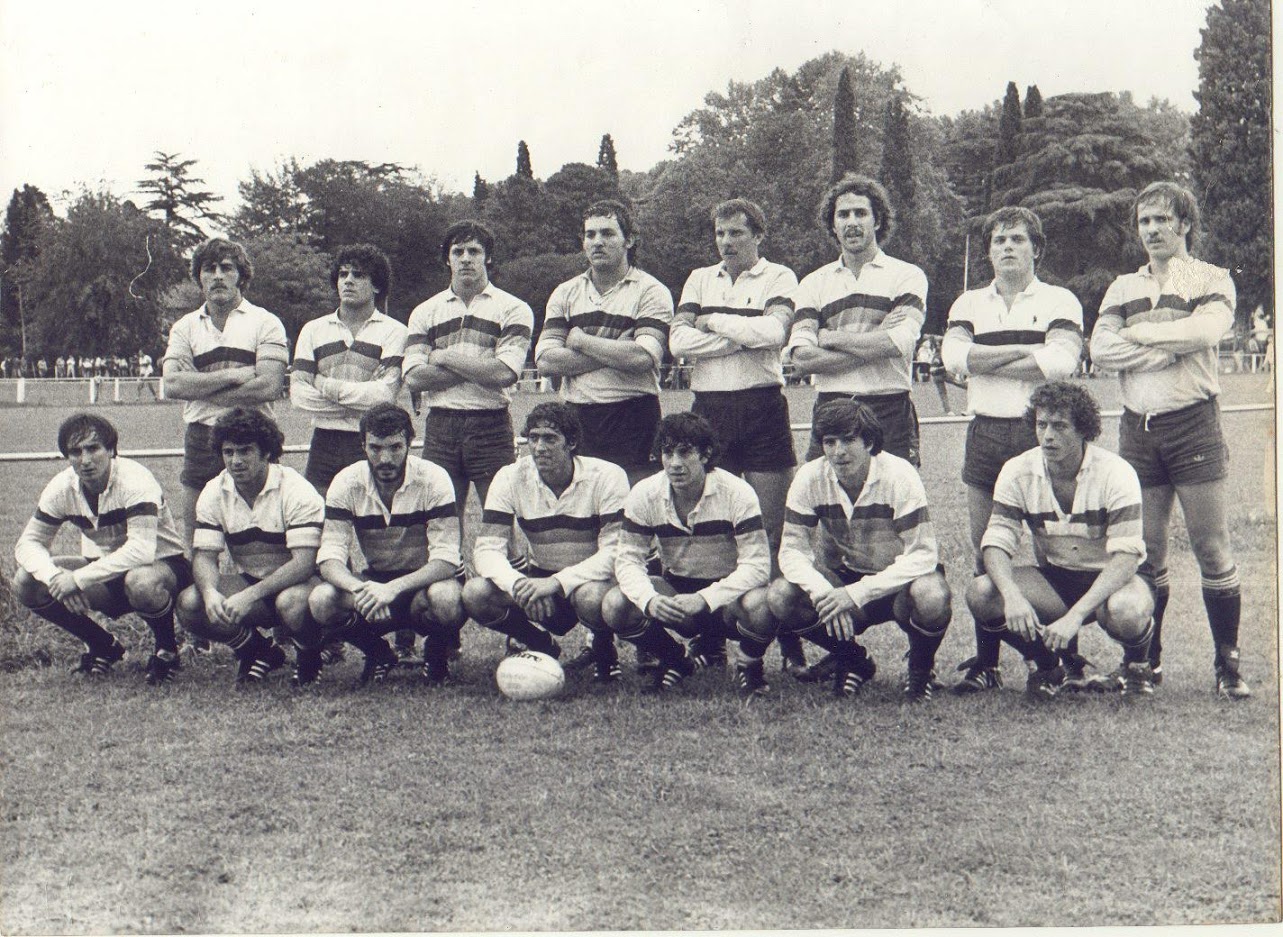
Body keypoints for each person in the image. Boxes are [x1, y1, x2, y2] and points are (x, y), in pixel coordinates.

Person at [1089, 181, 1248, 698]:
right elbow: (1100, 350)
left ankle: (1228, 665)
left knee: (1211, 546)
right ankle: (1144, 666)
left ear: (1184, 224)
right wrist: (1162, 346)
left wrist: (1138, 334)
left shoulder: (1211, 277)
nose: (1152, 230)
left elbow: (1204, 335)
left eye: (1162, 219)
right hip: (1138, 429)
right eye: (1144, 222)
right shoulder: (1121, 287)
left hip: (1193, 423)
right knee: (1146, 549)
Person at [940, 206, 1092, 693]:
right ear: (988, 251)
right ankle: (988, 664)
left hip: (1040, 433)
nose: (1008, 247)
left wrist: (985, 360)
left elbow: (1061, 362)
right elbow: (953, 358)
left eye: (1018, 240)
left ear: (1036, 248)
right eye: (999, 240)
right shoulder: (968, 301)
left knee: (1052, 548)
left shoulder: (1059, 299)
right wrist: (1026, 354)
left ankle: (1063, 656)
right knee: (987, 549)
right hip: (985, 432)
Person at [668, 197, 809, 677]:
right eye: (720, 234)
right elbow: (677, 341)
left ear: (757, 235)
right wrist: (739, 336)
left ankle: (788, 641)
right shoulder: (698, 278)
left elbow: (774, 332)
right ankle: (712, 641)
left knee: (773, 531)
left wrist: (712, 323)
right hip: (709, 409)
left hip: (763, 405)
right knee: (716, 530)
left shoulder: (780, 277)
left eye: (736, 233)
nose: (727, 242)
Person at [965, 381, 1156, 699]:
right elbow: (996, 541)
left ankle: (1136, 668)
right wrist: (1012, 596)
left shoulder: (1116, 472)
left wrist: (1076, 617)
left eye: (1060, 426)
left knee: (1127, 610)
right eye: (1041, 425)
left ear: (1084, 430)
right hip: (1058, 578)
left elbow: (1125, 559)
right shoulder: (1017, 470)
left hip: (1116, 579)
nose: (1048, 435)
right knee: (983, 592)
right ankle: (1046, 664)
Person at [763, 400, 951, 701]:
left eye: (849, 440)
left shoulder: (898, 474)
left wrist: (856, 594)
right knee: (780, 595)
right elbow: (791, 551)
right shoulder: (811, 477)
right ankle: (853, 659)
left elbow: (923, 554)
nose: (839, 451)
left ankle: (920, 669)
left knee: (932, 594)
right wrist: (824, 592)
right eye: (830, 442)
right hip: (844, 578)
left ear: (870, 441)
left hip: (898, 585)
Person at [12, 413, 191, 685]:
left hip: (164, 568)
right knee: (26, 581)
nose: (85, 460)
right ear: (66, 456)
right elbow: (28, 543)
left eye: (93, 448)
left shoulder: (135, 479)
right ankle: (102, 645)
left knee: (140, 580)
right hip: (107, 571)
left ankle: (166, 650)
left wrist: (77, 579)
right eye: (75, 452)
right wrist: (55, 578)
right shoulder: (62, 487)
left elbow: (141, 550)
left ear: (110, 449)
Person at [602, 413, 771, 695]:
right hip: (678, 591)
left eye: (685, 452)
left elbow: (758, 566)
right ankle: (676, 660)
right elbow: (628, 559)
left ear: (705, 454)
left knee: (762, 602)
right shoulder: (644, 493)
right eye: (668, 453)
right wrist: (650, 601)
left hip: (729, 599)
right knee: (614, 604)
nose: (675, 463)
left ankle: (750, 665)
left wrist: (706, 598)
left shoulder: (738, 493)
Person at [464, 402, 629, 684]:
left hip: (592, 580)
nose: (540, 447)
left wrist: (557, 583)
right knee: (475, 593)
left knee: (590, 597)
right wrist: (517, 585)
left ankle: (603, 649)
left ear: (572, 443)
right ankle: (538, 643)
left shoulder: (607, 476)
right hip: (540, 576)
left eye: (550, 439)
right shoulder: (510, 476)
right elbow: (487, 549)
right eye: (534, 438)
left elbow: (615, 552)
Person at [308, 404, 466, 686]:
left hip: (425, 581)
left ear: (410, 443)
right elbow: (329, 557)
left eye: (395, 447)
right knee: (322, 600)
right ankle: (378, 652)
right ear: (363, 445)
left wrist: (392, 589)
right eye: (376, 448)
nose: (386, 458)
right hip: (376, 580)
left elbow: (446, 560)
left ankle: (436, 653)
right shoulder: (346, 481)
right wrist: (361, 589)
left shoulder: (434, 478)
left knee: (446, 598)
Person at [785, 174, 927, 467]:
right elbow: (802, 360)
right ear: (833, 225)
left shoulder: (907, 275)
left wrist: (831, 338)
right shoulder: (813, 283)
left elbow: (896, 344)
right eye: (843, 215)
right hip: (831, 406)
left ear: (877, 221)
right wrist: (874, 341)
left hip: (888, 407)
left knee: (893, 505)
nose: (852, 222)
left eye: (861, 213)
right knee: (825, 504)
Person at [175, 408, 324, 685]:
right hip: (253, 581)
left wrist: (250, 596)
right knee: (190, 602)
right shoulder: (213, 490)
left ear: (266, 452)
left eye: (245, 451)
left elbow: (304, 564)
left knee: (291, 603)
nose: (236, 461)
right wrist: (209, 593)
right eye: (228, 452)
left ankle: (310, 654)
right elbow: (204, 556)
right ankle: (258, 651)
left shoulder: (296, 490)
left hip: (302, 584)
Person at [162, 238, 289, 553]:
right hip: (201, 435)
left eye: (226, 268)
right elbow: (173, 386)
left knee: (266, 529)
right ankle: (198, 599)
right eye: (209, 269)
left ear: (241, 276)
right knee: (196, 535)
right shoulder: (184, 327)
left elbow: (269, 386)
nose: (217, 275)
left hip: (255, 434)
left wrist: (201, 384)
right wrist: (233, 375)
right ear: (199, 277)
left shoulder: (266, 322)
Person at [536, 199, 674, 486]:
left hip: (634, 415)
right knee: (585, 509)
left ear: (629, 240)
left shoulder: (651, 291)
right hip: (578, 415)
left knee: (633, 511)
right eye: (590, 234)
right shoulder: (565, 292)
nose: (597, 242)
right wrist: (614, 348)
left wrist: (580, 340)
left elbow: (641, 359)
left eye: (608, 234)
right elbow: (547, 361)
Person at [403, 221, 532, 515]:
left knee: (499, 520)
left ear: (488, 257)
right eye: (457, 251)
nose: (465, 258)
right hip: (440, 426)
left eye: (474, 251)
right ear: (447, 258)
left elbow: (503, 374)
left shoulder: (513, 308)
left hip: (491, 424)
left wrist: (444, 356)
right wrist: (480, 364)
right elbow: (414, 378)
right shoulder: (425, 311)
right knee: (441, 523)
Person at [290, 244, 406, 493]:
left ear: (376, 285)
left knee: (373, 526)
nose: (348, 281)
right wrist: (359, 399)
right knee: (319, 523)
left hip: (373, 441)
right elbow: (299, 395)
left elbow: (383, 396)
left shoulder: (395, 332)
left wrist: (323, 384)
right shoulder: (313, 330)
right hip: (324, 440)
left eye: (358, 274)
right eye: (343, 274)